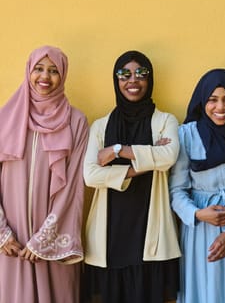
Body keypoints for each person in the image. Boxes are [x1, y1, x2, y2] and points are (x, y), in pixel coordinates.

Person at [83, 50, 181, 303]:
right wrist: (147, 161)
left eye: (141, 74)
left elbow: (169, 156)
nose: (133, 80)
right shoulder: (101, 126)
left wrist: (117, 151)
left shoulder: (165, 120)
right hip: (111, 233)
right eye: (124, 74)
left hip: (150, 231)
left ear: (150, 80)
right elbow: (91, 175)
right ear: (116, 81)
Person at [0, 45, 88, 303]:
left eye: (53, 71)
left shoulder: (76, 121)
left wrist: (44, 241)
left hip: (53, 241)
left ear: (63, 76)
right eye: (39, 69)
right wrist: (2, 233)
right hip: (11, 242)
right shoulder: (6, 119)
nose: (45, 77)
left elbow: (73, 187)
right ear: (29, 71)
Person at [169, 68, 225, 303]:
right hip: (199, 231)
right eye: (212, 100)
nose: (221, 108)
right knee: (203, 291)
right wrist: (198, 214)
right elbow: (177, 191)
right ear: (202, 101)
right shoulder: (186, 135)